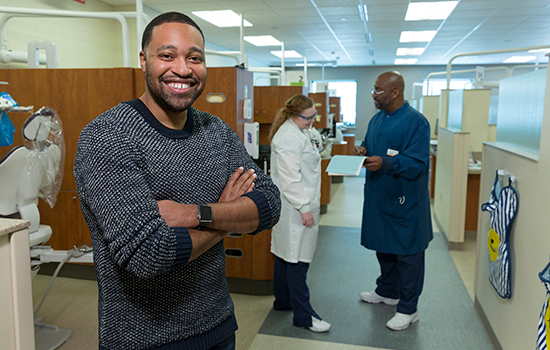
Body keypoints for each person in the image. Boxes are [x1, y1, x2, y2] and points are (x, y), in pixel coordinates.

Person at [73, 12, 281, 350]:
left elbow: (270, 203)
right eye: (167, 55)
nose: (182, 69)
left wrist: (193, 214)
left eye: (194, 57)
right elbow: (149, 254)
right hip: (144, 340)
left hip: (218, 328)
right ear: (143, 60)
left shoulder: (215, 131)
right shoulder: (108, 137)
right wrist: (229, 215)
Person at [353, 71, 433, 331]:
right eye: (373, 90)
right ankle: (387, 291)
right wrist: (363, 149)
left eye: (378, 90)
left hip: (405, 201)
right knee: (384, 247)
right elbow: (369, 142)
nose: (374, 95)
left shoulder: (416, 123)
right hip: (379, 196)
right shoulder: (377, 120)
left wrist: (386, 163)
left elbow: (418, 162)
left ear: (395, 92)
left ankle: (409, 309)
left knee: (408, 255)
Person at [268, 94, 331, 333]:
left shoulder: (299, 131)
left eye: (314, 116)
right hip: (295, 207)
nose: (313, 121)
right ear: (294, 116)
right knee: (296, 259)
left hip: (295, 206)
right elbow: (289, 179)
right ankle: (304, 317)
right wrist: (304, 208)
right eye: (308, 117)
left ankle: (283, 302)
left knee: (285, 254)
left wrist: (314, 136)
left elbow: (312, 146)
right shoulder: (288, 138)